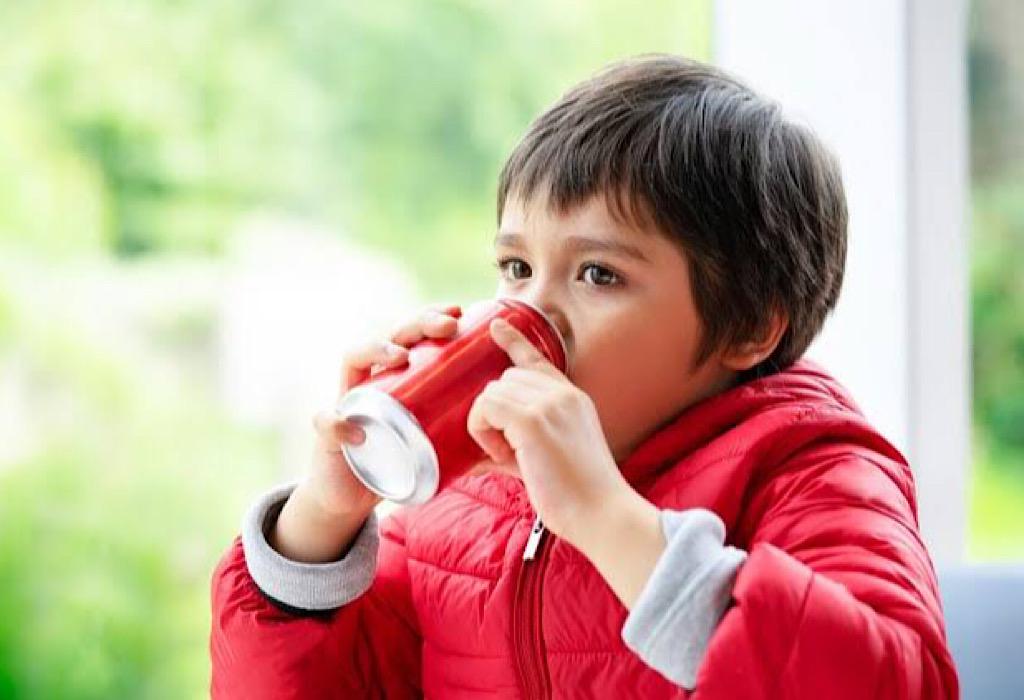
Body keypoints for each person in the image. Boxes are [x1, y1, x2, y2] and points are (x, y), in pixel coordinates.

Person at [210, 54, 959, 698]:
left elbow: (885, 679)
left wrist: (604, 515)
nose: (529, 316)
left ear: (747, 325)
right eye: (516, 268)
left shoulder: (812, 472)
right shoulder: (468, 503)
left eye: (598, 273)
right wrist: (321, 521)